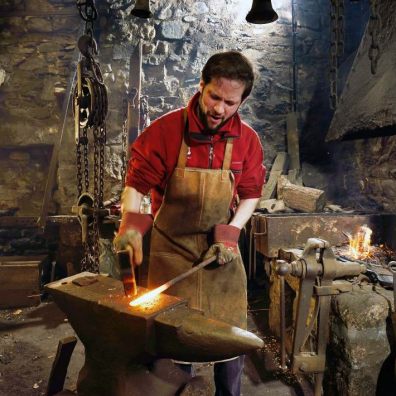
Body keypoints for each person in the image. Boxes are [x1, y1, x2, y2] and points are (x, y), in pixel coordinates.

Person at [114, 51, 265, 396]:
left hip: (219, 252)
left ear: (241, 100)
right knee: (173, 341)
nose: (219, 109)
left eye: (230, 102)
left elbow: (251, 194)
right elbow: (137, 185)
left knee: (231, 337)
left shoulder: (248, 141)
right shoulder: (166, 131)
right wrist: (132, 227)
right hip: (173, 251)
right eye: (214, 96)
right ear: (201, 86)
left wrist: (230, 234)